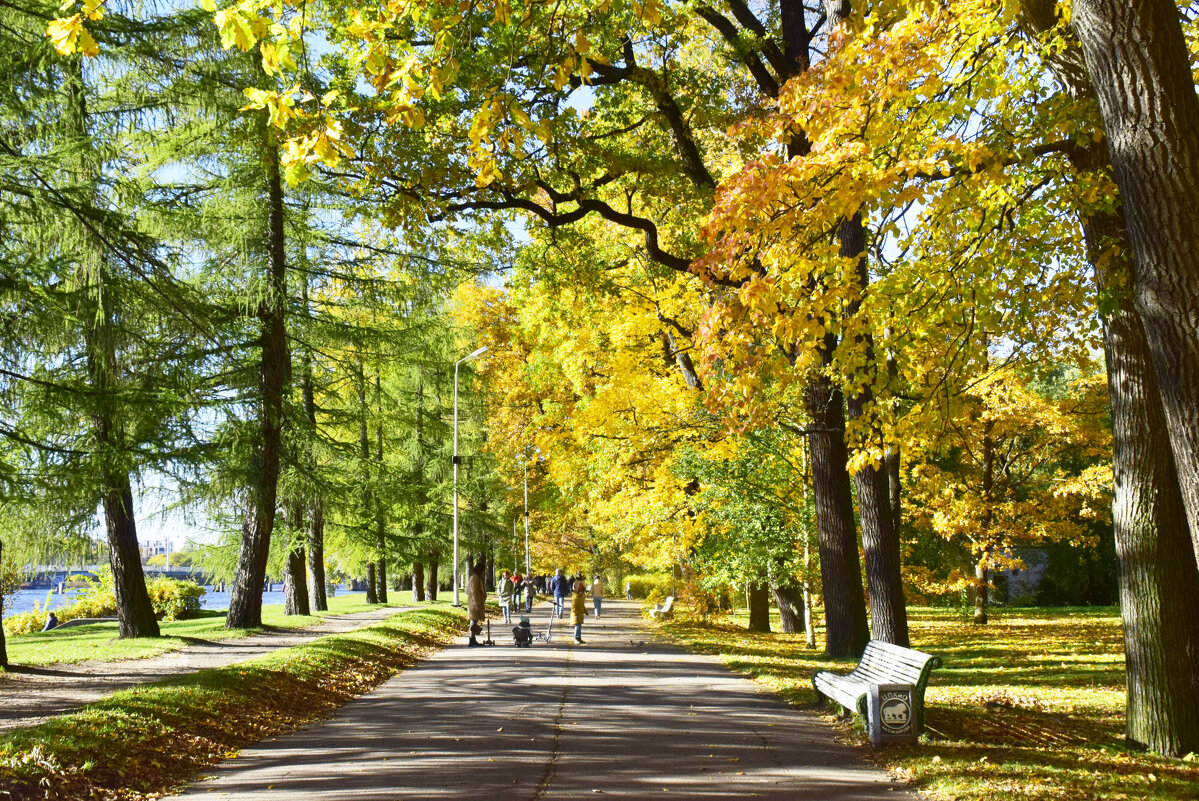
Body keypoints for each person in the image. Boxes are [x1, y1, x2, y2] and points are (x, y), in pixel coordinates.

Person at [467, 562, 487, 647]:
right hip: (474, 603)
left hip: (475, 602)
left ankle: (473, 639)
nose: (484, 573)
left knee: (474, 620)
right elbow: (474, 592)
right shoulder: (475, 578)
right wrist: (476, 604)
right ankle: (471, 640)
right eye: (483, 571)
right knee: (473, 621)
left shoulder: (475, 577)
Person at [570, 579, 587, 643]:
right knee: (577, 626)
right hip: (576, 615)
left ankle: (579, 638)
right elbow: (574, 607)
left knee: (579, 626)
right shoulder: (576, 597)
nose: (583, 593)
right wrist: (575, 615)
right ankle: (576, 638)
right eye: (582, 592)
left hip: (580, 614)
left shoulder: (581, 597)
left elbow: (582, 605)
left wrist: (585, 611)